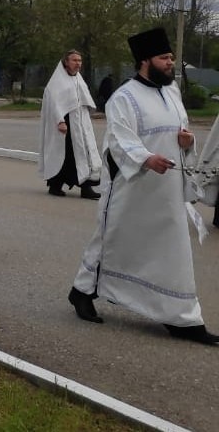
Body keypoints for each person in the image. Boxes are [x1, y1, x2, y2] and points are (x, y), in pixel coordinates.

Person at [68, 27, 219, 345]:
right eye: (165, 58)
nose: (170, 63)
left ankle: (181, 317)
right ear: (145, 60)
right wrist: (146, 158)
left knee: (170, 250)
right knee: (112, 239)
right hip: (133, 187)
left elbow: (182, 131)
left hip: (168, 192)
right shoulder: (124, 97)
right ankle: (82, 291)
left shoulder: (172, 91)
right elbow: (120, 141)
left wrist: (187, 141)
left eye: (171, 58)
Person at [38, 50, 101, 199]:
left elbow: (84, 99)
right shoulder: (57, 82)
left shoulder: (78, 79)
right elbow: (53, 103)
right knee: (64, 155)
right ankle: (55, 185)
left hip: (81, 124)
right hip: (66, 126)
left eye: (79, 60)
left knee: (86, 154)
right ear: (66, 62)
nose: (78, 63)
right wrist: (60, 121)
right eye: (74, 60)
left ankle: (86, 188)